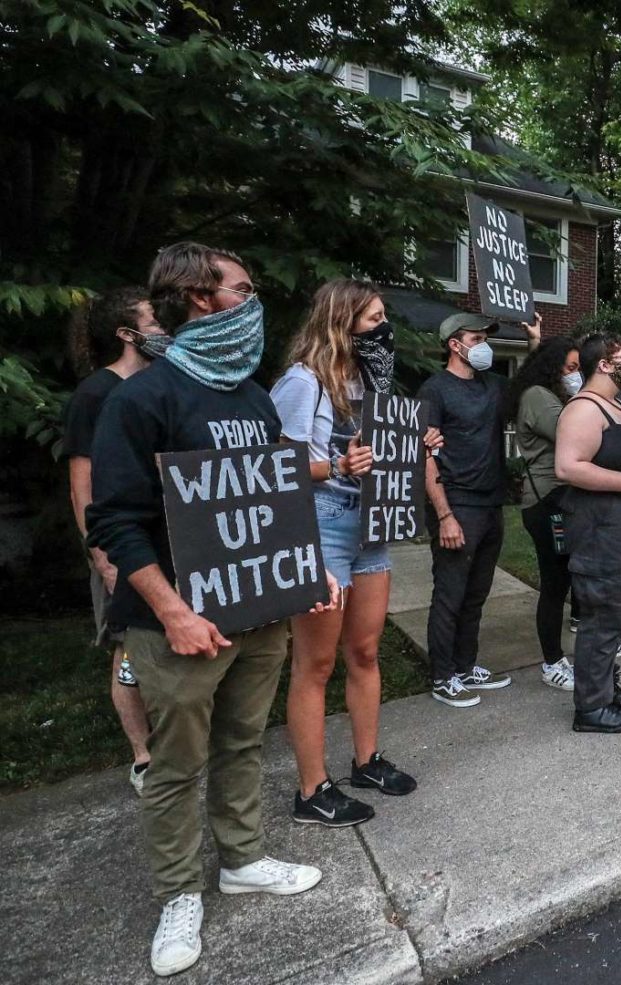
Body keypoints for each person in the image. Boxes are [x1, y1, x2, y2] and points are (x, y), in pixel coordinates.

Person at [86, 242, 331, 977]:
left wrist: (305, 569)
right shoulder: (141, 399)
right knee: (175, 763)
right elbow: (115, 520)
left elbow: (276, 497)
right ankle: (177, 892)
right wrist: (172, 612)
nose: (253, 299)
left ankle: (243, 857)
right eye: (243, 288)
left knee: (243, 741)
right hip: (181, 624)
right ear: (200, 297)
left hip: (260, 611)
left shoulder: (252, 396)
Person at [271, 280, 426, 826]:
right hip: (321, 526)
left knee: (365, 650)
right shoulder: (302, 383)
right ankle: (311, 790)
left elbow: (384, 451)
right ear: (342, 322)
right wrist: (335, 467)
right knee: (314, 662)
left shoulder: (372, 385)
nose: (384, 329)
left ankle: (367, 760)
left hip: (370, 525)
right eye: (374, 318)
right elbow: (276, 470)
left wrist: (416, 445)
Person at [65, 286, 169, 794]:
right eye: (154, 322)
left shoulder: (164, 386)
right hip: (120, 546)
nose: (164, 330)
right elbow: (82, 485)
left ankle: (175, 744)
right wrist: (102, 555)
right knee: (126, 650)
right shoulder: (95, 394)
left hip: (166, 543)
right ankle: (144, 755)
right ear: (127, 334)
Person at [418, 312, 530, 707]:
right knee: (451, 592)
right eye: (475, 337)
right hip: (457, 504)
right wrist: (444, 515)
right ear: (454, 344)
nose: (483, 344)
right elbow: (425, 455)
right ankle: (442, 675)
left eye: (485, 338)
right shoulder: (435, 390)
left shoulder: (491, 386)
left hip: (490, 502)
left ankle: (465, 666)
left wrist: (534, 341)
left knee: (477, 592)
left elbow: (528, 389)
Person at [555, 333, 621, 733]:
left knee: (618, 616)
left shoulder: (618, 405)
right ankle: (591, 709)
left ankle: (604, 687)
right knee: (601, 617)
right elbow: (568, 467)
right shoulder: (583, 409)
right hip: (601, 530)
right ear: (602, 364)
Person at [511, 334, 585, 689]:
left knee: (565, 578)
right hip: (547, 504)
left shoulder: (554, 396)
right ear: (554, 368)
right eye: (571, 368)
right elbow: (576, 435)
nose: (576, 375)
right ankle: (552, 662)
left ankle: (565, 653)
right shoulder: (538, 397)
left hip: (560, 500)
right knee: (554, 584)